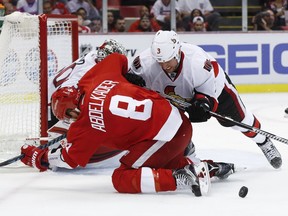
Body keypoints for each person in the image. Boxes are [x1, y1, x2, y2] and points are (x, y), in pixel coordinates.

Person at [20, 53, 234, 196]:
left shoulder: (84, 125)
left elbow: (69, 159)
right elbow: (118, 58)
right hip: (176, 120)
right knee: (155, 162)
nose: (71, 119)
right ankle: (207, 167)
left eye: (69, 115)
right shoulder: (94, 78)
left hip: (167, 135)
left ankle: (181, 178)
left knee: (122, 177)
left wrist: (40, 158)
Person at [128, 30, 282, 169]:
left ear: (176, 53)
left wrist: (202, 104)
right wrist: (132, 83)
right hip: (170, 97)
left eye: (168, 61)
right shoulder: (144, 63)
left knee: (240, 121)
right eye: (160, 61)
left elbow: (208, 96)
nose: (164, 65)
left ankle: (263, 141)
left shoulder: (197, 63)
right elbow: (128, 83)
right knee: (166, 121)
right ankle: (185, 146)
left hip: (216, 90)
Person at [47, 39, 127, 163]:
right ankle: (59, 143)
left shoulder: (95, 56)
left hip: (51, 98)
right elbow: (66, 94)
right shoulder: (90, 69)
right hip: (55, 103)